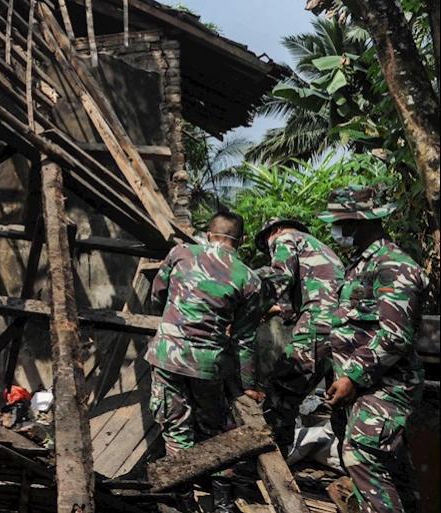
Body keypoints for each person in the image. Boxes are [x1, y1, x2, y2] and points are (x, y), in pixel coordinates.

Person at [147, 211, 265, 513]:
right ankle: (223, 505)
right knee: (215, 433)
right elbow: (245, 340)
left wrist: (173, 323)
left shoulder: (181, 253)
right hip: (208, 365)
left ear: (208, 233)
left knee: (176, 432)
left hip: (167, 357)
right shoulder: (249, 278)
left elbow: (157, 296)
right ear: (241, 240)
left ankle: (185, 505)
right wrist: (247, 386)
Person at [318, 186, 424, 513]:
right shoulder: (360, 265)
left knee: (361, 454)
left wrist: (351, 376)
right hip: (363, 386)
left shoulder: (395, 266)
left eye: (343, 223)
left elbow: (394, 335)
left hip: (388, 385)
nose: (338, 231)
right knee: (390, 467)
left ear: (362, 222)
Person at [253, 217, 345, 452]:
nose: (270, 250)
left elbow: (280, 278)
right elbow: (311, 296)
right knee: (341, 403)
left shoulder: (285, 238)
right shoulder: (322, 250)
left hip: (317, 326)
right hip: (344, 331)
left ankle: (274, 462)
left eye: (267, 244)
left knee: (280, 395)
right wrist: (273, 310)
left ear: (274, 231)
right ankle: (356, 471)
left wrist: (247, 296)